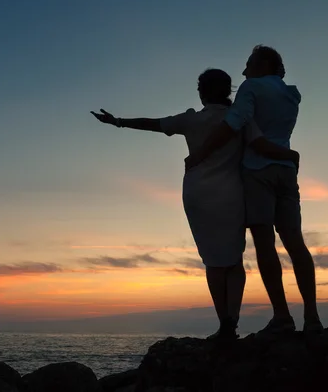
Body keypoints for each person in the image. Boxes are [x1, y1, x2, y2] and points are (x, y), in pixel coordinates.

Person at [90, 69, 298, 340]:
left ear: (202, 91)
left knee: (213, 261)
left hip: (198, 193)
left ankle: (223, 323)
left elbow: (153, 123)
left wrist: (118, 121)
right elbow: (260, 145)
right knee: (234, 261)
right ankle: (231, 323)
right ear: (228, 90)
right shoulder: (240, 118)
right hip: (231, 193)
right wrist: (289, 156)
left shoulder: (191, 120)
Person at [186, 46, 323, 335]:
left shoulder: (251, 88)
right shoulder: (291, 95)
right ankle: (312, 316)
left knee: (264, 244)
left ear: (262, 64)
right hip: (286, 169)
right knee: (295, 242)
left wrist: (201, 153)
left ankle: (282, 316)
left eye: (248, 64)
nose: (244, 71)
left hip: (257, 171)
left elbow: (235, 122)